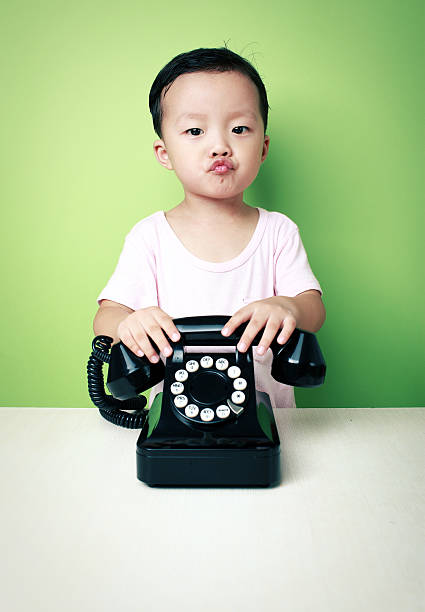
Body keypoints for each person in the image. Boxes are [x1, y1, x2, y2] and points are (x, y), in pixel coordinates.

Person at [93, 46, 326, 409]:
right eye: (195, 130)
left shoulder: (278, 232)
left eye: (239, 128)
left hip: (269, 418)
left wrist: (290, 309)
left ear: (263, 148)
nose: (220, 146)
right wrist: (129, 323)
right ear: (165, 153)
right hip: (176, 411)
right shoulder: (149, 237)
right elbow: (107, 315)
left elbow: (313, 308)